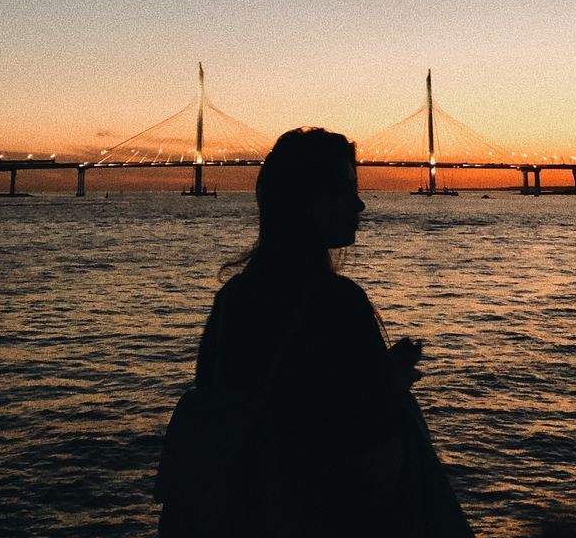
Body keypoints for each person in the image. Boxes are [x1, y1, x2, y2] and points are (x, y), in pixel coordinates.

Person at [156, 127, 474, 538]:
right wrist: (388, 385)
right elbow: (361, 447)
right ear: (305, 201)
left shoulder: (233, 300)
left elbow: (226, 396)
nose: (359, 204)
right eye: (343, 189)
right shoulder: (338, 303)